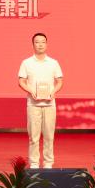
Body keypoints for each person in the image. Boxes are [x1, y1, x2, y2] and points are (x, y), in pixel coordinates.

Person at [17, 32, 64, 169]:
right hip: (33, 104)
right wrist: (31, 91)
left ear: (46, 44)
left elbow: (60, 81)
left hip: (49, 104)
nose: (40, 45)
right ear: (33, 45)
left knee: (49, 136)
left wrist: (53, 92)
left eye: (43, 42)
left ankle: (48, 163)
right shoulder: (26, 63)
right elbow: (21, 81)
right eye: (37, 42)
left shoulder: (53, 63)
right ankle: (34, 163)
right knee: (33, 136)